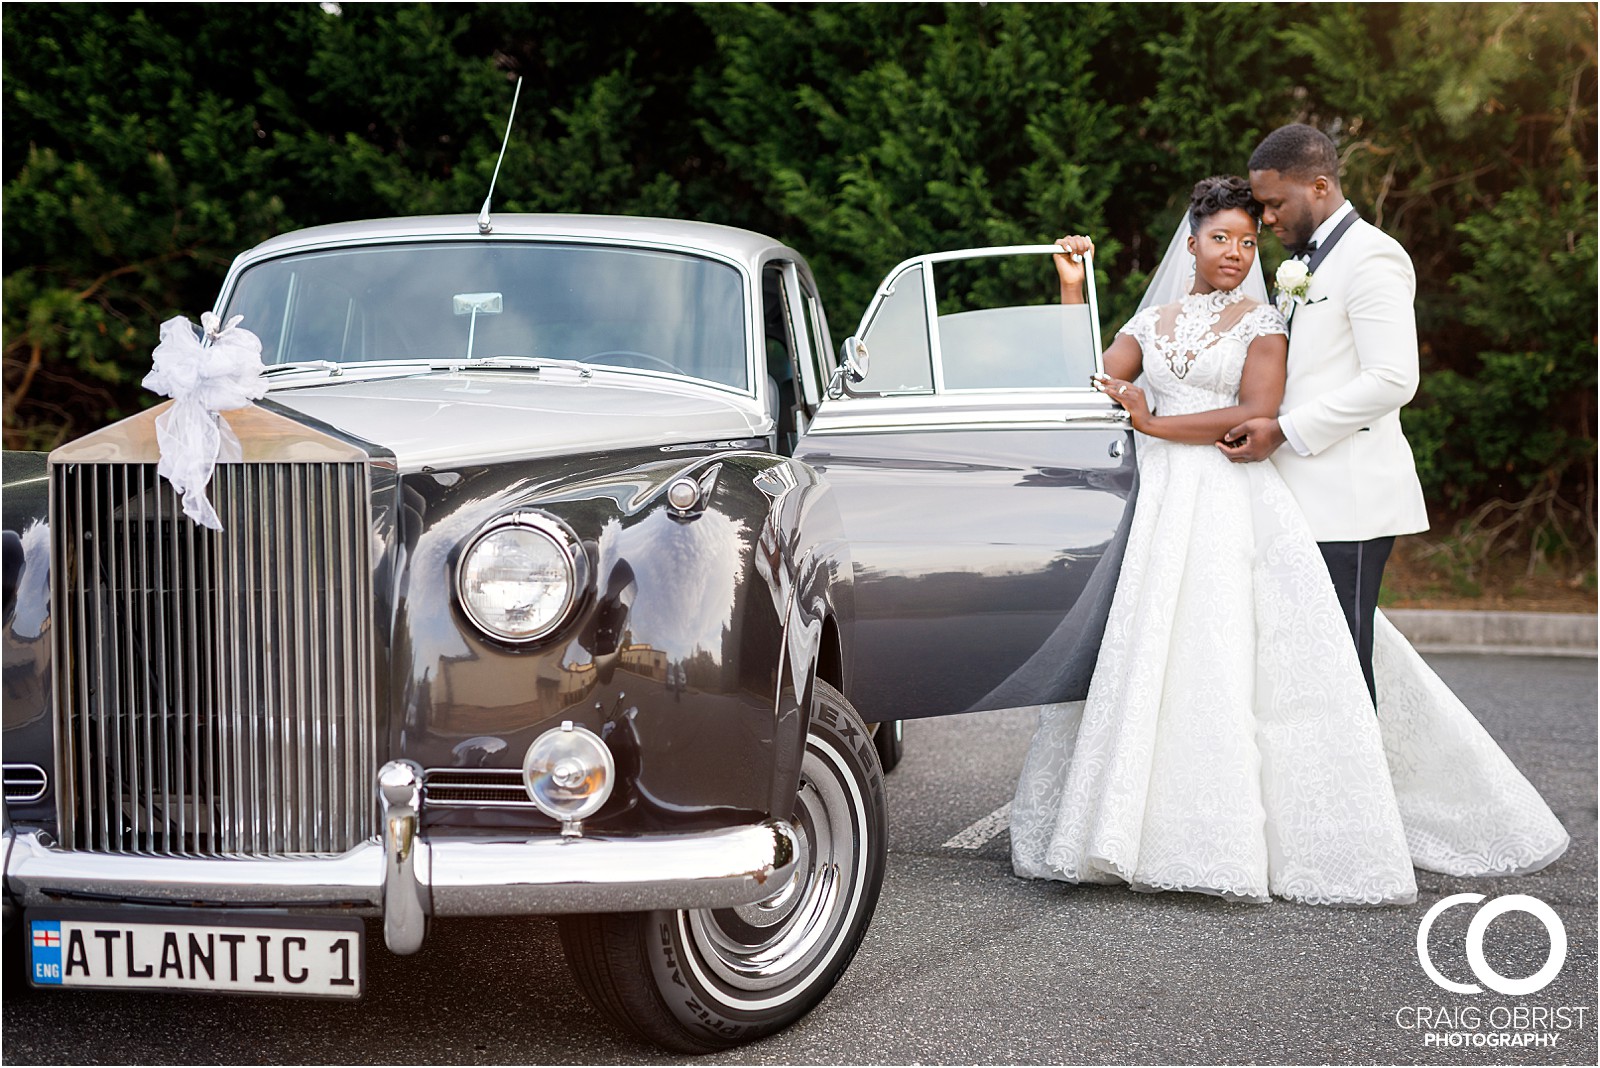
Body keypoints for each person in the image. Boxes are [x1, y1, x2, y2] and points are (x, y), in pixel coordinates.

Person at [1009, 176, 1567, 906]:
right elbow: (1094, 383)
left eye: (1248, 240)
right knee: (1145, 652)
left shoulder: (1263, 322)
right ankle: (1120, 823)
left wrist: (1153, 424)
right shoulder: (1151, 322)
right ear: (1191, 242)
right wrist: (1072, 290)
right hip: (1155, 505)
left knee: (1219, 651)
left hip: (1225, 496)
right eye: (1222, 239)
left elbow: (1254, 412)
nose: (1237, 253)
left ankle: (1222, 832)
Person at [1224, 124, 1428, 704]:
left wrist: (1284, 431)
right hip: (1300, 500)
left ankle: (1360, 794)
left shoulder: (1373, 257)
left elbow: (1393, 379)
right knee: (1306, 658)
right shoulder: (1303, 265)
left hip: (1351, 504)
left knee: (1341, 661)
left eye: (1273, 203)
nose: (1264, 219)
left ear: (1319, 186)